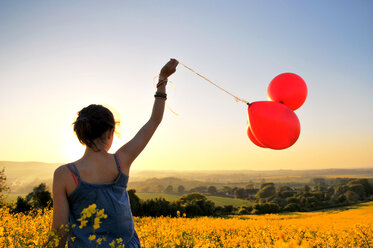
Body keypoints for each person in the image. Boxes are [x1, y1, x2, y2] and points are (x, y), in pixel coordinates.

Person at [50, 59, 179, 247]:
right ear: (111, 132)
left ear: (81, 133)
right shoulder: (122, 160)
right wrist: (162, 80)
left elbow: (59, 234)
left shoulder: (64, 174)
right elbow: (154, 121)